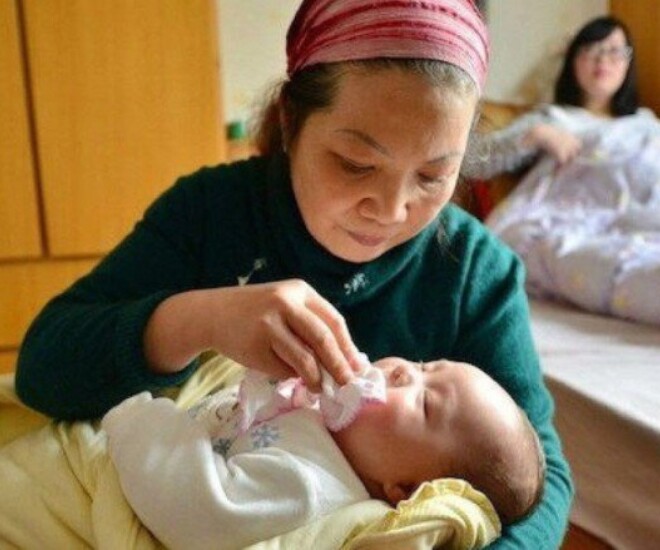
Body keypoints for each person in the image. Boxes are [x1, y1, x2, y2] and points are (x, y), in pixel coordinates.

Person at [15, 0, 573, 546]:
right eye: (355, 164)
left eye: (432, 176)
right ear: (290, 120)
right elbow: (43, 370)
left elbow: (537, 483)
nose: (390, 209)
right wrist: (198, 320)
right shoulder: (210, 213)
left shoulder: (476, 272)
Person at [102, 357, 545, 550]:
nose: (405, 373)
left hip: (127, 457)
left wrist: (136, 418)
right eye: (426, 365)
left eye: (425, 403)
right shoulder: (324, 415)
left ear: (405, 488)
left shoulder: (309, 485)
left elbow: (198, 509)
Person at [464, 16, 660, 325]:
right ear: (573, 61)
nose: (602, 60)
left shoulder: (646, 124)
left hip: (643, 219)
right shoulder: (553, 118)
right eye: (591, 50)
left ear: (628, 63)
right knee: (611, 262)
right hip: (570, 225)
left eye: (614, 51)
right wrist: (535, 136)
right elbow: (476, 164)